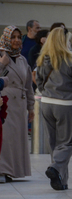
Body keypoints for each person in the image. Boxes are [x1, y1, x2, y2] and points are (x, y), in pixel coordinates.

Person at [36, 27, 72, 191]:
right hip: (65, 104)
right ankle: (55, 168)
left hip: (46, 103)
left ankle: (61, 180)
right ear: (64, 41)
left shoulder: (43, 60)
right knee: (67, 143)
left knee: (54, 143)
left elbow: (38, 81)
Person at [0, 26, 35, 183]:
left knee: (16, 139)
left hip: (20, 105)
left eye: (18, 37)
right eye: (12, 37)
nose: (16, 40)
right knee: (5, 138)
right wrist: (1, 64)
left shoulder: (22, 59)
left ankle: (14, 171)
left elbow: (28, 86)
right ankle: (2, 170)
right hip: (4, 103)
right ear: (6, 38)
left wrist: (31, 107)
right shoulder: (1, 55)